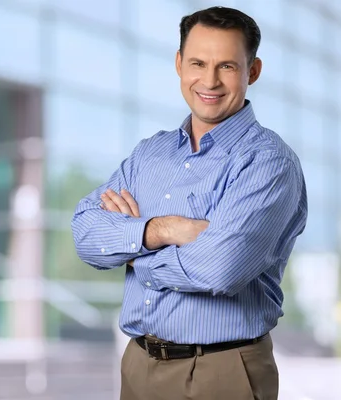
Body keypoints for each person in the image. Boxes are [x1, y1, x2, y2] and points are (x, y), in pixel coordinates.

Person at [71, 6, 307, 400]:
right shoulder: (150, 154)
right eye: (198, 62)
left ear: (253, 71)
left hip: (222, 370)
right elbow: (85, 234)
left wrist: (133, 251)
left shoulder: (267, 162)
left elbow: (221, 269)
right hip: (138, 364)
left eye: (227, 66)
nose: (209, 80)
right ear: (179, 64)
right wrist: (162, 230)